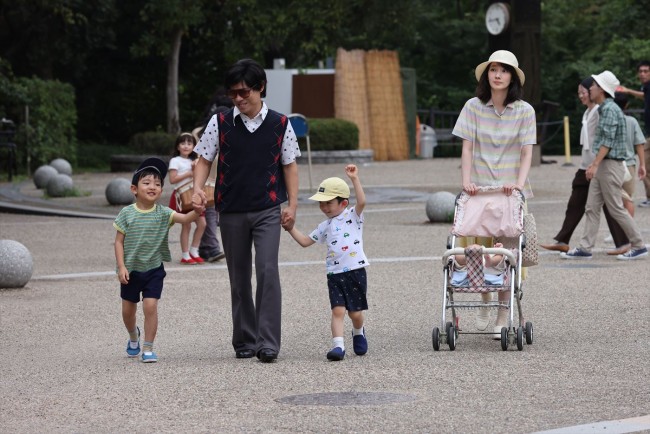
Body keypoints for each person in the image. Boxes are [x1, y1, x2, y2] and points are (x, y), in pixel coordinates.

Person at [192, 58, 300, 363]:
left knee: (267, 271)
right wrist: (199, 188)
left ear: (260, 87)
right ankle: (244, 339)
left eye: (244, 92)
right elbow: (203, 158)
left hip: (267, 208)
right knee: (239, 277)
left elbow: (289, 166)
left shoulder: (281, 124)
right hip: (231, 210)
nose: (238, 99)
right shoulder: (220, 122)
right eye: (233, 94)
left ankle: (268, 343)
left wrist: (291, 205)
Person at [451, 50, 536, 338]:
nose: (497, 75)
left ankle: (503, 314)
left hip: (510, 193)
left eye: (504, 70)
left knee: (505, 254)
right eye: (493, 69)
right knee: (475, 249)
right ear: (487, 74)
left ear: (512, 76)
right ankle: (484, 300)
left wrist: (520, 185)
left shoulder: (525, 111)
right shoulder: (473, 107)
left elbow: (527, 152)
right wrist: (466, 182)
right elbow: (467, 147)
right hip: (478, 190)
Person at [114, 158, 204, 363]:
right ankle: (133, 336)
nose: (152, 186)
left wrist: (196, 211)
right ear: (134, 189)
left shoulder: (164, 213)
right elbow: (118, 242)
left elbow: (184, 219)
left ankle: (148, 347)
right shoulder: (126, 214)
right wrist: (121, 267)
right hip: (130, 270)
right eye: (146, 183)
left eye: (157, 183)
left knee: (150, 306)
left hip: (154, 269)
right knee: (128, 311)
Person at [283, 165, 369, 361]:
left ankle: (358, 331)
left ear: (343, 203)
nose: (323, 207)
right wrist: (290, 229)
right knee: (337, 310)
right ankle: (338, 346)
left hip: (355, 271)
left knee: (355, 313)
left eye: (328, 203)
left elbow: (362, 201)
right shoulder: (324, 226)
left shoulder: (353, 216)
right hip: (334, 273)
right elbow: (305, 241)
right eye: (321, 203)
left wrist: (354, 179)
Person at [561, 71, 648, 260]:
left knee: (616, 207)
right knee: (592, 207)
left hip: (609, 165)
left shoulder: (609, 109)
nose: (590, 88)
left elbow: (607, 141)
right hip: (605, 166)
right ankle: (585, 247)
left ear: (601, 89)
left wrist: (594, 165)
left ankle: (639, 244)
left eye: (593, 86)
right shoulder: (605, 107)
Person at [540, 78, 631, 256]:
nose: (581, 95)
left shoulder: (600, 111)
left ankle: (625, 242)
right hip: (586, 167)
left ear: (593, 91)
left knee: (610, 206)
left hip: (597, 166)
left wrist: (596, 164)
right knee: (577, 203)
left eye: (584, 91)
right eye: (579, 92)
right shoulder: (588, 112)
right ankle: (563, 240)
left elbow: (606, 138)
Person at [168, 132, 207, 265]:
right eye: (183, 143)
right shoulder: (175, 161)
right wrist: (189, 173)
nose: (186, 146)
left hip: (193, 195)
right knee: (186, 225)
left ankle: (194, 251)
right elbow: (172, 179)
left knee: (202, 224)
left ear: (193, 146)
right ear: (177, 146)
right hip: (182, 196)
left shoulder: (194, 160)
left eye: (189, 143)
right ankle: (185, 254)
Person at [616, 60, 650, 207]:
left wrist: (628, 91)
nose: (642, 74)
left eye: (646, 71)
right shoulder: (646, 88)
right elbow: (643, 95)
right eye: (640, 71)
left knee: (646, 166)